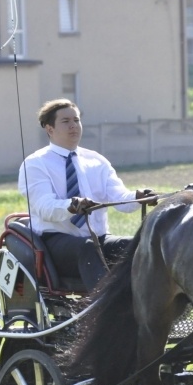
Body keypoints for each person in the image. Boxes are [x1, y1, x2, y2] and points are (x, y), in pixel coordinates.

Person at [18, 98, 156, 291]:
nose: (73, 126)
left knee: (135, 245)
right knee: (88, 247)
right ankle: (104, 309)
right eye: (66, 121)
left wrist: (138, 196)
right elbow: (44, 207)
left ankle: (145, 303)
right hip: (55, 244)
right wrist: (72, 205)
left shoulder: (97, 161)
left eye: (76, 120)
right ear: (49, 129)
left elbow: (120, 199)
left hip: (97, 239)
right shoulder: (35, 164)